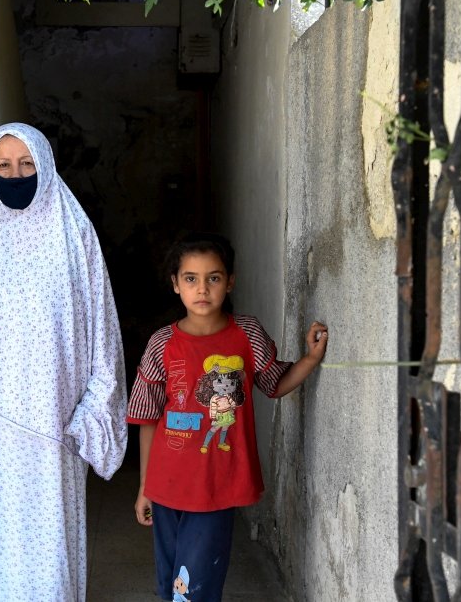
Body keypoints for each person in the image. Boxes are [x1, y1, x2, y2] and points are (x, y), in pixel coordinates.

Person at [0, 123, 127, 601]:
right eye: (3, 166)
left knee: (49, 536)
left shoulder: (74, 232)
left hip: (53, 420)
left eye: (26, 165)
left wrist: (95, 407)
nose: (15, 175)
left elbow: (103, 327)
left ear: (45, 166)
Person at [128, 232, 328, 602]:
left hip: (216, 485)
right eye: (191, 278)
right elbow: (147, 417)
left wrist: (309, 360)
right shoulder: (162, 344)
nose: (202, 288)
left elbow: (274, 383)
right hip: (166, 482)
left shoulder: (246, 335)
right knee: (170, 582)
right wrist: (145, 486)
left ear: (230, 281)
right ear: (176, 284)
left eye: (214, 278)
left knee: (196, 587)